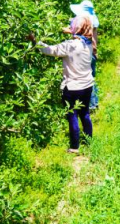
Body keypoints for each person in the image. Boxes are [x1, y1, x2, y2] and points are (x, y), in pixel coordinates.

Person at [31, 16, 95, 153]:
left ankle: (74, 147)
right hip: (87, 85)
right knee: (85, 113)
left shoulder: (70, 45)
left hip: (73, 87)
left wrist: (34, 41)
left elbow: (50, 50)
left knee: (72, 115)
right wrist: (72, 31)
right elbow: (78, 38)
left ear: (77, 28)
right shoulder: (88, 43)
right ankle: (89, 141)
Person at [69, 0, 100, 110]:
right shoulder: (93, 22)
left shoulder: (84, 23)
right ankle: (94, 103)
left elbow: (76, 32)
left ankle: (90, 105)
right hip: (92, 53)